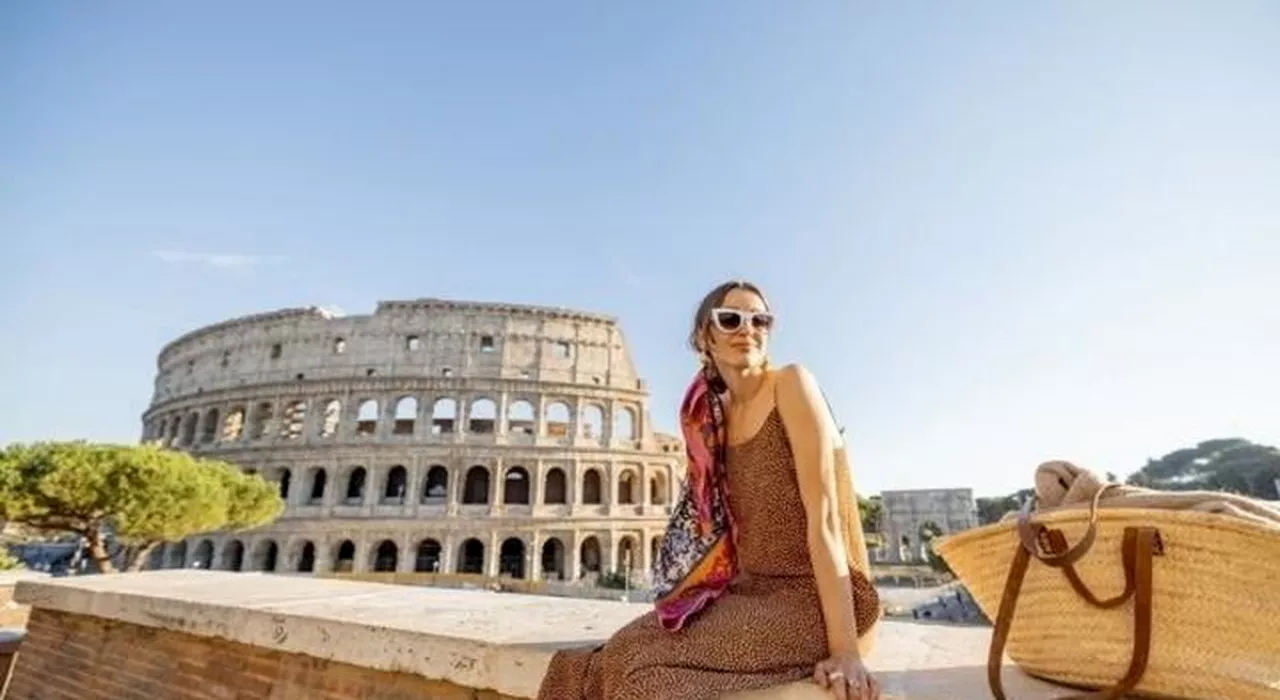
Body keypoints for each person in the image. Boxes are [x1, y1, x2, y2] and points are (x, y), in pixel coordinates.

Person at [537, 280, 882, 700]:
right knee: (617, 653)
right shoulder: (712, 423)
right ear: (706, 336)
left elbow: (825, 521)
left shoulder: (791, 384)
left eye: (760, 320)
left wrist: (845, 651)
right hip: (749, 593)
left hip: (813, 600)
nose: (747, 329)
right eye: (731, 319)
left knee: (647, 683)